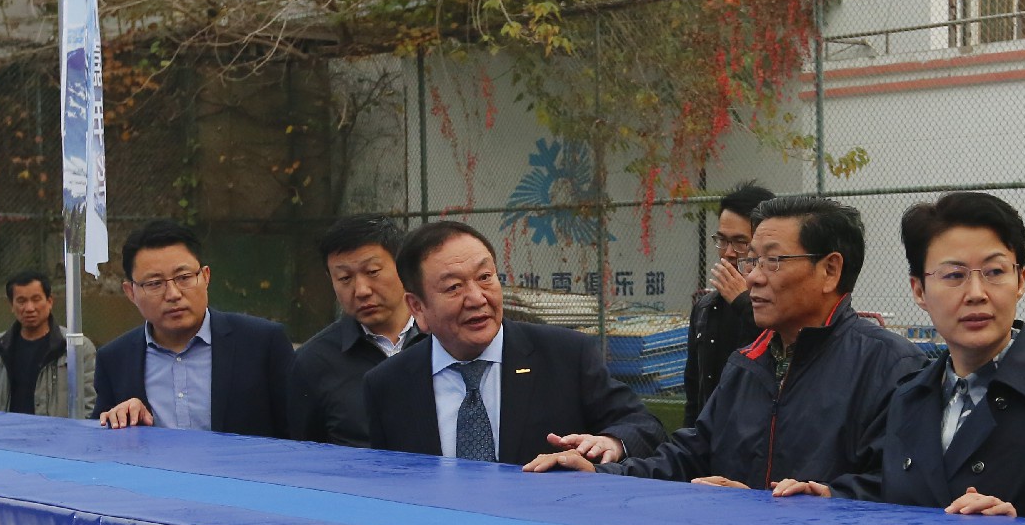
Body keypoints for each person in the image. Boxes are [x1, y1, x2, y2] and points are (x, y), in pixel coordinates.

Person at [775, 191, 1025, 525]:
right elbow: (901, 498)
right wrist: (832, 498)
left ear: (1020, 280)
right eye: (954, 275)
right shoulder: (909, 397)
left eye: (995, 272)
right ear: (919, 290)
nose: (976, 293)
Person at [528, 195, 921, 487]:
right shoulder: (747, 363)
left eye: (773, 261)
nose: (753, 277)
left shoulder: (890, 366)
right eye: (753, 260)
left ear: (831, 270)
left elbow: (901, 490)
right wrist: (599, 473)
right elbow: (688, 457)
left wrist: (763, 505)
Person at [360, 221, 666, 464]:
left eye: (485, 277)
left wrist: (610, 443)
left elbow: (644, 427)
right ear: (417, 308)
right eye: (453, 287)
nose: (477, 298)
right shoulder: (389, 385)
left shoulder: (566, 356)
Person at [94, 220, 295, 437]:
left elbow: (297, 433)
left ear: (205, 276)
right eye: (154, 283)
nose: (173, 294)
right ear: (131, 292)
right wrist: (121, 421)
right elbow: (99, 442)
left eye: (184, 278)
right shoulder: (114, 359)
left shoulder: (262, 343)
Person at [287, 215, 422, 447]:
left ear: (402, 266)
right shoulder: (313, 361)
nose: (361, 290)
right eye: (345, 278)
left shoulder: (446, 340)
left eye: (372, 271)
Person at [684, 182, 774, 426]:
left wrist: (744, 302)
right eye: (722, 240)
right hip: (710, 438)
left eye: (741, 242)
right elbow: (694, 392)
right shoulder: (705, 308)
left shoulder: (783, 308)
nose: (728, 253)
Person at [0, 271, 96, 420]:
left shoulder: (76, 347)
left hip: (57, 433)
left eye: (36, 299)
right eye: (21, 301)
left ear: (50, 301)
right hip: (6, 432)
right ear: (11, 305)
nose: (29, 308)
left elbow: (90, 403)